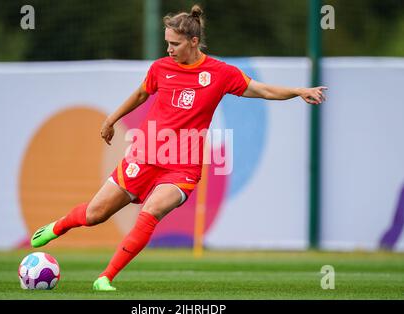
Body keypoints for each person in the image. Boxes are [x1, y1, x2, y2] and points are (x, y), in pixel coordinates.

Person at [30, 4, 327, 291]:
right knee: (95, 214)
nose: (169, 49)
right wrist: (111, 119)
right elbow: (140, 94)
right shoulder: (161, 68)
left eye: (174, 43)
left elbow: (261, 89)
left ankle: (105, 277)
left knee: (152, 210)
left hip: (183, 166)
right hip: (145, 155)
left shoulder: (220, 73)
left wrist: (298, 91)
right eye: (166, 43)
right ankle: (58, 226)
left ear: (193, 42)